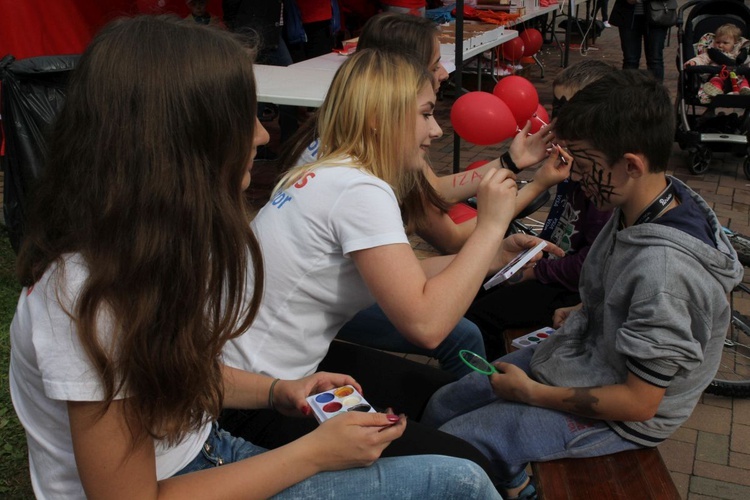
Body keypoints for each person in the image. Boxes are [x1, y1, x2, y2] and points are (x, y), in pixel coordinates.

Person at [8, 15, 502, 499]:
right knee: (461, 480)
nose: (263, 136)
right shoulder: (88, 297)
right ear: (186, 140)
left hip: (204, 448)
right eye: (247, 116)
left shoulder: (161, 245)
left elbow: (177, 370)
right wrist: (314, 453)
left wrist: (279, 390)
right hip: (190, 472)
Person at [221, 48, 561, 464]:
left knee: (442, 395)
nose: (436, 130)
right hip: (250, 399)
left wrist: (495, 254)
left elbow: (403, 275)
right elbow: (427, 325)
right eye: (425, 114)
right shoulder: (359, 189)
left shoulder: (333, 168)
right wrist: (491, 228)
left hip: (270, 372)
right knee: (468, 461)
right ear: (379, 118)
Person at [421, 69, 744, 500]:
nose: (574, 177)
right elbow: (622, 287)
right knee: (445, 403)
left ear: (631, 164)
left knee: (463, 440)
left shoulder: (665, 273)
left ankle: (511, 485)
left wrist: (532, 393)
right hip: (588, 354)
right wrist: (588, 308)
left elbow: (640, 402)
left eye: (586, 165)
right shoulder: (639, 200)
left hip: (624, 416)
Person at [279, 12, 562, 376]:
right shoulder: (360, 188)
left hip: (319, 305)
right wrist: (500, 221)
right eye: (434, 65)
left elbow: (430, 195)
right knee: (462, 336)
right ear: (394, 92)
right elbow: (430, 314)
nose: (444, 72)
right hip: (306, 328)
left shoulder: (352, 151)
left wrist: (510, 165)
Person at [466, 59, 615, 359]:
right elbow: (558, 230)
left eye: (567, 112)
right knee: (472, 292)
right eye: (555, 110)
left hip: (573, 288)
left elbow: (592, 263)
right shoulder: (569, 167)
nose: (555, 123)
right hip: (552, 269)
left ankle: (494, 381)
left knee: (481, 317)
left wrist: (539, 270)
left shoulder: (601, 183)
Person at [684, 23, 750, 103]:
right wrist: (693, 62)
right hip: (719, 75)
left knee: (745, 80)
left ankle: (745, 89)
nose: (720, 45)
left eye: (725, 43)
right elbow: (702, 58)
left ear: (735, 43)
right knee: (715, 80)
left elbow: (747, 63)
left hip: (737, 78)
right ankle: (715, 91)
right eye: (718, 42)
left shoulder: (739, 54)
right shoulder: (712, 53)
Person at [609, 0, 668, 82]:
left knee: (655, 60)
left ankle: (656, 93)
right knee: (630, 60)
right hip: (628, 14)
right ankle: (628, 92)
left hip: (657, 14)